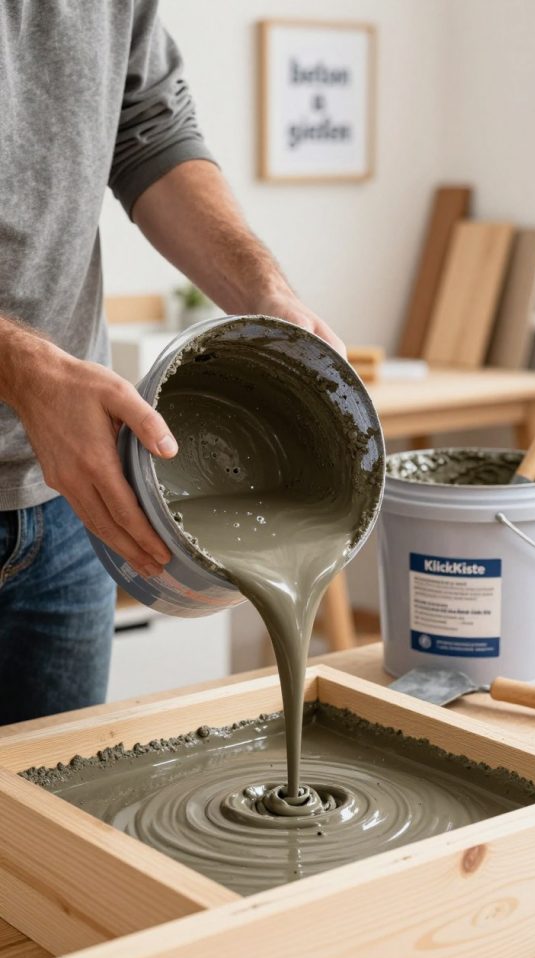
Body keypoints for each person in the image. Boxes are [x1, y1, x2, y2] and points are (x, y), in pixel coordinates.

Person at [0, 2, 344, 727]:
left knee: (38, 823)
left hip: (68, 491)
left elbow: (147, 128)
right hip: (56, 445)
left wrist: (265, 294)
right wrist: (23, 371)